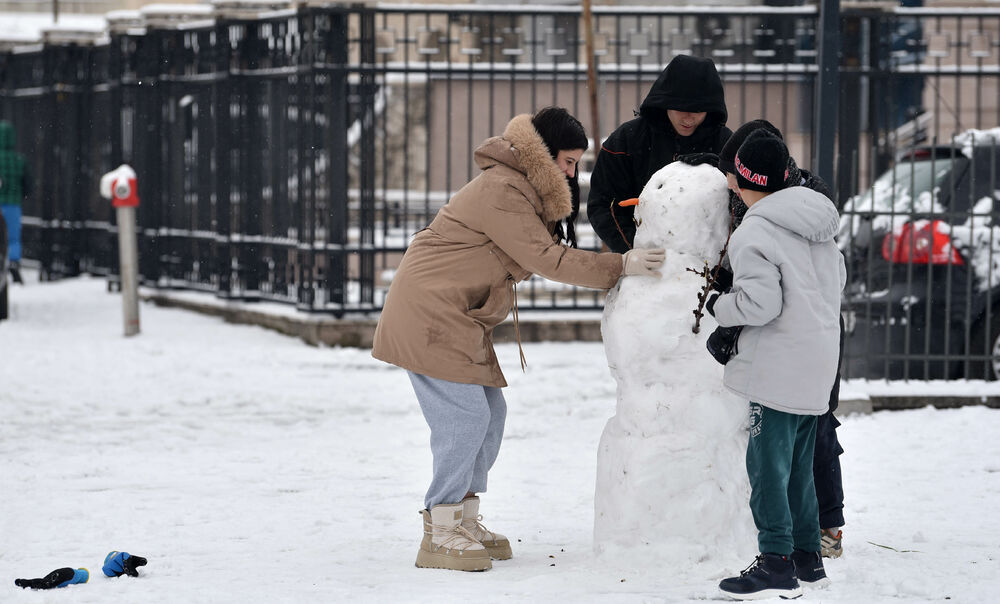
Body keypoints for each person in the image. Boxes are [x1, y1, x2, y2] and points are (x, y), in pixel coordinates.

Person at [371, 107, 665, 572]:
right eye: (568, 162)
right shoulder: (503, 190)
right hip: (430, 313)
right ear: (543, 155)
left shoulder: (522, 188)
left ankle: (462, 517)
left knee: (489, 413)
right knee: (464, 418)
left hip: (458, 315)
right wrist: (620, 264)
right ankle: (440, 529)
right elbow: (546, 258)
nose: (573, 174)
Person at [705, 129, 845, 599]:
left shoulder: (757, 230)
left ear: (743, 182)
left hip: (778, 370)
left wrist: (719, 307)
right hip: (818, 365)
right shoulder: (819, 224)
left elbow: (760, 304)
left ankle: (775, 561)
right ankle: (808, 556)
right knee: (800, 467)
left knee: (767, 468)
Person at [587, 54, 731, 253]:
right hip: (640, 265)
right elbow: (603, 205)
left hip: (709, 267)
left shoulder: (727, 146)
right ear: (665, 102)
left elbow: (744, 206)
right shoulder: (626, 141)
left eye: (699, 110)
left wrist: (720, 171)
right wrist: (634, 249)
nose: (689, 118)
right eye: (682, 108)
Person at [0, 120, 29, 284]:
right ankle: (13, 262)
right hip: (12, 203)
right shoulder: (19, 160)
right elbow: (28, 183)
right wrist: (19, 194)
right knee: (13, 237)